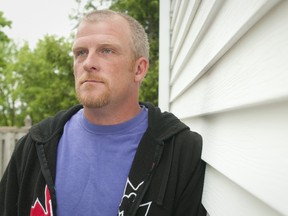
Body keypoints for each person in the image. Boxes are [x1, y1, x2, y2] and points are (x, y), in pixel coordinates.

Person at [0, 9, 206, 216]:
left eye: (106, 50)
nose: (88, 63)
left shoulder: (179, 151)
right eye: (80, 52)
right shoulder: (35, 146)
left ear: (139, 69)